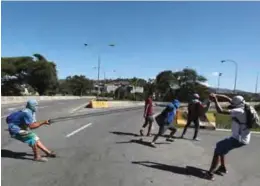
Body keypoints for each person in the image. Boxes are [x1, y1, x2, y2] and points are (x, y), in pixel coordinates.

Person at [205, 94, 251, 180]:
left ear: (236, 104)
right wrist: (216, 95)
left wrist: (215, 100)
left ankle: (210, 173)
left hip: (238, 139)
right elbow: (228, 99)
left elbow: (221, 111)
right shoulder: (244, 105)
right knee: (221, 147)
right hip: (241, 138)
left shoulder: (240, 110)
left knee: (218, 150)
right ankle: (222, 167)